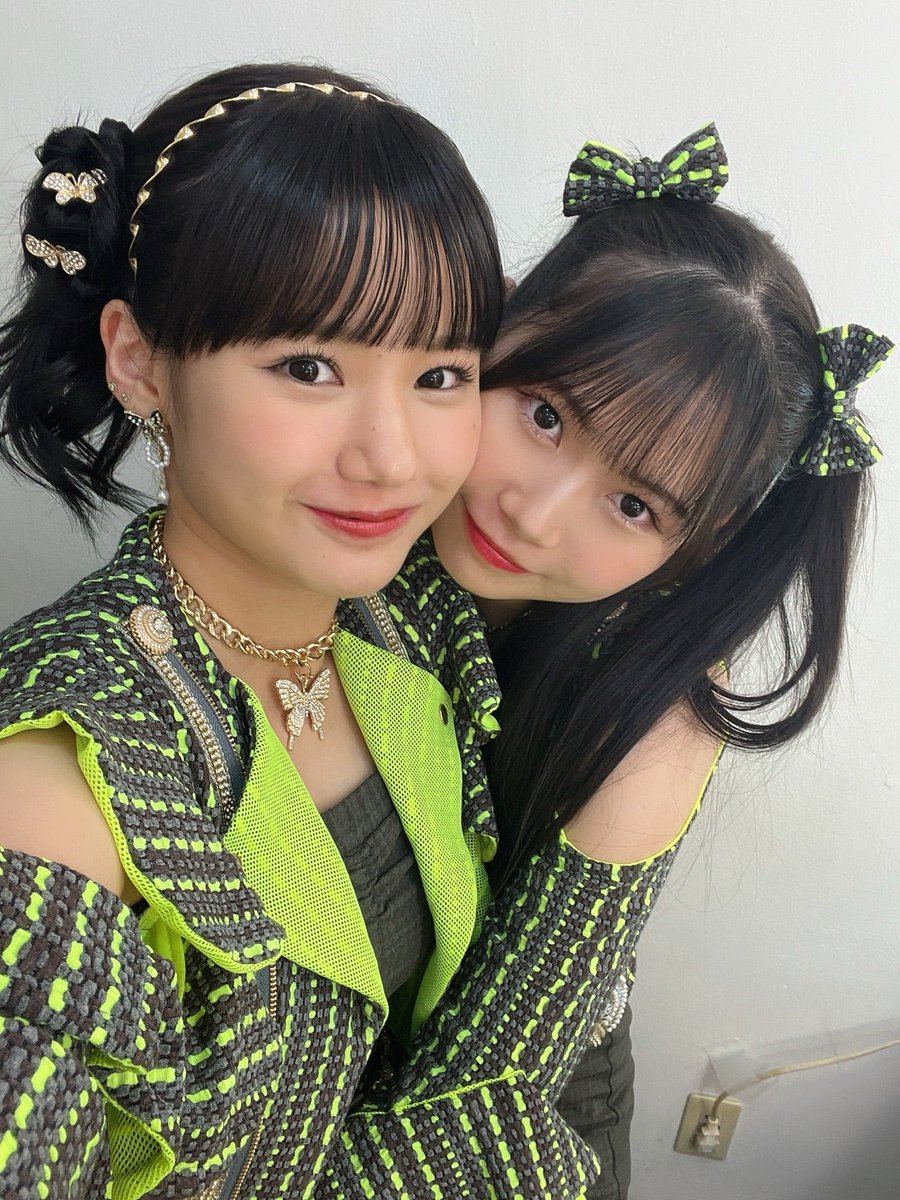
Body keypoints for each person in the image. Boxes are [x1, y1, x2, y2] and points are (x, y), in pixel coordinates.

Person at [314, 124, 892, 1198]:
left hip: (511, 1123)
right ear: (499, 316)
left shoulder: (662, 711)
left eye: (634, 505)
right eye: (544, 415)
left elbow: (480, 1097)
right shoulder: (364, 497)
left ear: (703, 539)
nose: (535, 516)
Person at [0, 62, 506, 1198]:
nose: (393, 458)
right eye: (309, 367)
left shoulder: (410, 621)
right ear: (140, 361)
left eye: (440, 374)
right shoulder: (65, 762)